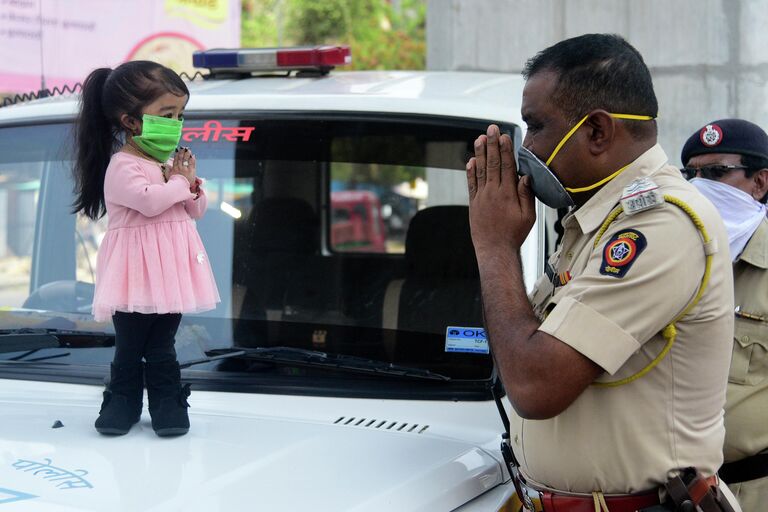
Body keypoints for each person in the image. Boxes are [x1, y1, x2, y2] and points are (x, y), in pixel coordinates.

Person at [466, 34, 741, 511]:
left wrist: (494, 245)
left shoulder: (661, 224)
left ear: (596, 132)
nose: (527, 147)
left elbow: (535, 386)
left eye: (536, 126)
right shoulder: (595, 220)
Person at [72, 61, 220, 437]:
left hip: (169, 277)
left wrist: (191, 185)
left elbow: (196, 210)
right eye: (166, 114)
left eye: (180, 114)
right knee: (129, 345)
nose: (176, 122)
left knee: (162, 345)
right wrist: (181, 183)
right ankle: (121, 404)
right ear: (131, 121)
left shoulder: (169, 165)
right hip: (133, 278)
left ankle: (167, 405)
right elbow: (150, 202)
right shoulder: (123, 166)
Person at [681, 119, 768, 512]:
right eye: (692, 175)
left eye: (717, 173)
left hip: (754, 490)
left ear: (760, 183)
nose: (700, 187)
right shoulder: (672, 261)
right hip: (674, 493)